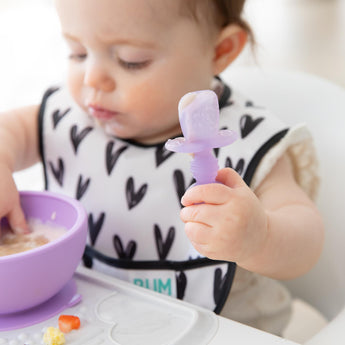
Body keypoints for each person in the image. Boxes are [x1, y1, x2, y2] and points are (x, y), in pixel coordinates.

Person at [0, 0, 323, 336]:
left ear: (220, 50)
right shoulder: (71, 118)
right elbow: (10, 132)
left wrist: (259, 237)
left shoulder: (246, 142)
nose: (93, 78)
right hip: (95, 325)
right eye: (78, 52)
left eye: (131, 60)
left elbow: (307, 241)